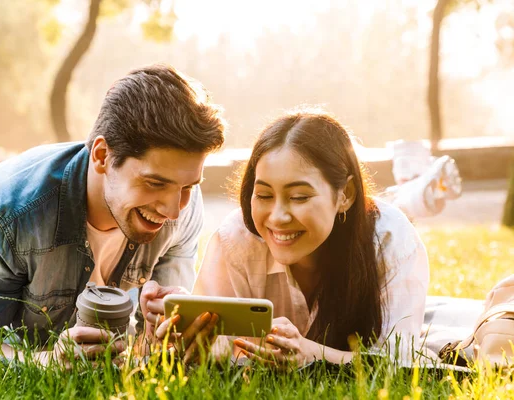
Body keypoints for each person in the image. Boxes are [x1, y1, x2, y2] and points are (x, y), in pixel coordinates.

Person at [0, 64, 226, 362]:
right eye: (154, 183)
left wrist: (159, 337)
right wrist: (46, 361)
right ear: (101, 156)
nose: (173, 210)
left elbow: (157, 351)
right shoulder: (4, 211)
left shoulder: (184, 207)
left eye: (187, 186)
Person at [144, 107, 429, 366]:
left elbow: (400, 363)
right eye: (264, 195)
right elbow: (219, 351)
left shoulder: (391, 240)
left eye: (299, 197)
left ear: (346, 195)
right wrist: (192, 342)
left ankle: (415, 192)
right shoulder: (235, 241)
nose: (278, 217)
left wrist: (312, 355)